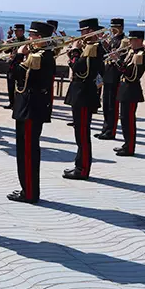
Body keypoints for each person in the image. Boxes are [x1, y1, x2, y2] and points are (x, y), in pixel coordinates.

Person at [7, 21, 56, 204]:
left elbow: (15, 75)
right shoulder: (40, 54)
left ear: (41, 38)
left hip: (31, 107)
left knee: (27, 150)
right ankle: (28, 188)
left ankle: (29, 192)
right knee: (25, 149)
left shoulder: (40, 56)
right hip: (29, 106)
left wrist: (18, 57)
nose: (30, 38)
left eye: (33, 36)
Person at [63, 18, 104, 180]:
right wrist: (75, 54)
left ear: (90, 31)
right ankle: (79, 164)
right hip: (80, 93)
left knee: (82, 134)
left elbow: (82, 71)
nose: (82, 35)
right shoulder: (89, 47)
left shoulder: (93, 48)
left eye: (84, 32)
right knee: (79, 133)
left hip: (84, 94)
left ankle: (83, 169)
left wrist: (74, 53)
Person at [114, 31, 145, 156]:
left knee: (128, 120)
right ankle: (126, 144)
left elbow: (132, 75)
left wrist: (117, 61)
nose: (129, 42)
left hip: (131, 90)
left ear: (139, 40)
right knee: (123, 119)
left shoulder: (140, 55)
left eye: (132, 40)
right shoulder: (131, 53)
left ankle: (129, 148)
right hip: (125, 89)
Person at [96, 18, 126, 141]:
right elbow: (106, 52)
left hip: (115, 75)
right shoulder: (112, 38)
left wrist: (115, 54)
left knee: (112, 105)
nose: (113, 29)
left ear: (121, 27)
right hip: (107, 73)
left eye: (116, 27)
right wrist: (103, 42)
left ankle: (110, 131)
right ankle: (105, 128)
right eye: (112, 26)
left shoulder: (124, 41)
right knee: (106, 104)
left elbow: (121, 56)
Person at [4, 24, 26, 110]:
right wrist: (8, 38)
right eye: (15, 31)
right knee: (10, 86)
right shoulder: (13, 40)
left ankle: (18, 103)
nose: (16, 33)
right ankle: (11, 102)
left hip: (20, 66)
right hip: (12, 65)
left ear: (23, 32)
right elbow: (6, 51)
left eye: (18, 31)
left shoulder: (26, 41)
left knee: (19, 86)